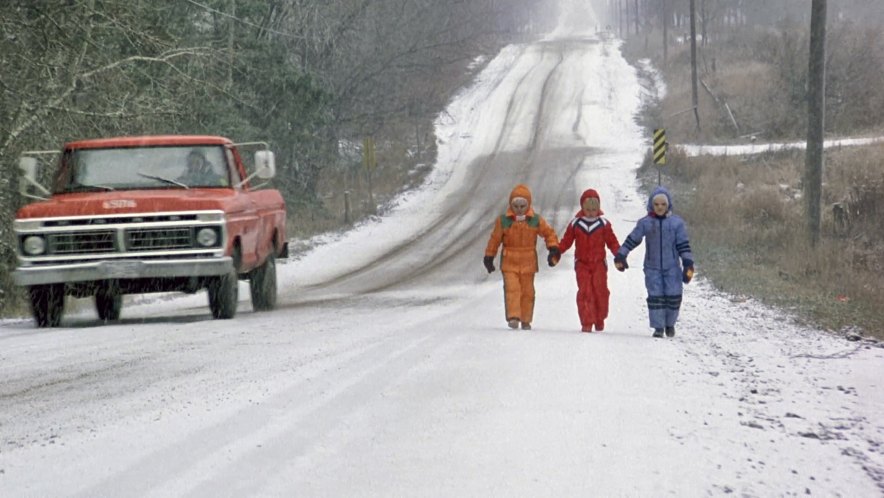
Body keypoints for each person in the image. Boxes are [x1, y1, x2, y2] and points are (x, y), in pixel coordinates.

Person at [614, 186, 694, 338]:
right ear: (651, 205)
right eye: (656, 204)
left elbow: (683, 244)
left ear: (668, 205)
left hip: (672, 267)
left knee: (673, 295)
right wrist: (621, 254)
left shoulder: (676, 224)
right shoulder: (646, 223)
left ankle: (670, 323)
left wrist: (688, 263)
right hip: (652, 267)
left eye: (663, 204)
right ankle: (658, 327)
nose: (660, 207)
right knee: (655, 296)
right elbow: (633, 239)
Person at [484, 184, 560, 331]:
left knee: (527, 292)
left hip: (528, 261)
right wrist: (489, 256)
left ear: (528, 204)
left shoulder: (535, 220)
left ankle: (526, 319)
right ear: (511, 204)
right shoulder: (504, 221)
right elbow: (495, 239)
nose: (519, 209)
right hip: (509, 261)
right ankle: (513, 316)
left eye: (522, 205)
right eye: (516, 205)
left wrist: (553, 247)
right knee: (512, 289)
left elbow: (549, 233)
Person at [558, 188, 621, 333]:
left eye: (594, 209)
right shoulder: (576, 224)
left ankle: (600, 317)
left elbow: (612, 242)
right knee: (585, 292)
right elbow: (566, 241)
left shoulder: (604, 224)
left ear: (598, 208)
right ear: (582, 207)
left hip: (599, 263)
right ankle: (587, 321)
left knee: (601, 291)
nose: (591, 212)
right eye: (588, 209)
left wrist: (619, 255)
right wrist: (557, 251)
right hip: (582, 263)